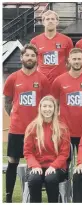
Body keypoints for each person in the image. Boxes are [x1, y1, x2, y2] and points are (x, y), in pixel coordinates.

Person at [3, 44, 50, 203]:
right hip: (17, 129)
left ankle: (34, 196)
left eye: (32, 56)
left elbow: (46, 103)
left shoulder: (42, 79)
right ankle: (8, 196)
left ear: (36, 59)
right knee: (12, 162)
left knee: (37, 162)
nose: (29, 58)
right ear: (22, 58)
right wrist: (15, 115)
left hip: (37, 129)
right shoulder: (13, 78)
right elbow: (8, 101)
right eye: (27, 55)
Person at [23, 95, 70, 203]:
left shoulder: (62, 128)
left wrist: (54, 166)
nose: (47, 109)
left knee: (51, 179)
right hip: (36, 166)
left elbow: (64, 153)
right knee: (34, 179)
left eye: (50, 106)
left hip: (56, 167)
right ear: (40, 108)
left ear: (55, 109)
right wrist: (34, 165)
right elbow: (28, 152)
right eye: (44, 106)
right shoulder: (32, 127)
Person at [51, 48, 82, 150]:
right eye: (74, 59)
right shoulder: (59, 81)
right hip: (65, 129)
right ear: (69, 60)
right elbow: (55, 104)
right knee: (65, 161)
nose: (76, 61)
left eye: (79, 59)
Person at [30, 10, 73, 85]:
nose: (50, 21)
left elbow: (70, 61)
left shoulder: (67, 40)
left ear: (57, 22)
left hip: (61, 81)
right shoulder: (35, 41)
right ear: (43, 22)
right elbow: (33, 63)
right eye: (47, 19)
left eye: (53, 19)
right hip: (42, 81)